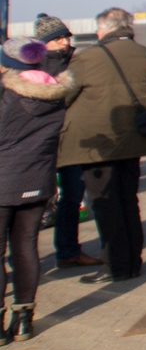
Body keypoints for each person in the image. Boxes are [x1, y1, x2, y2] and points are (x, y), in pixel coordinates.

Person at [56, 8, 146, 283]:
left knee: (105, 205)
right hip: (134, 139)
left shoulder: (87, 58)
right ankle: (133, 262)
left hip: (98, 144)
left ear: (103, 29)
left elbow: (63, 96)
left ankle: (116, 266)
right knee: (128, 202)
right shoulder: (144, 53)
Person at [0, 39, 78, 342]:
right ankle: (24, 320)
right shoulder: (55, 95)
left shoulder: (6, 94)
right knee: (25, 247)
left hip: (3, 180)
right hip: (38, 181)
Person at [33, 15, 94, 270]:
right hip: (40, 144)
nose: (64, 42)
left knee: (72, 197)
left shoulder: (75, 62)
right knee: (35, 204)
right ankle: (24, 258)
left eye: (65, 37)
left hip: (71, 141)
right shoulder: (31, 68)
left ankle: (68, 252)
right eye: (57, 38)